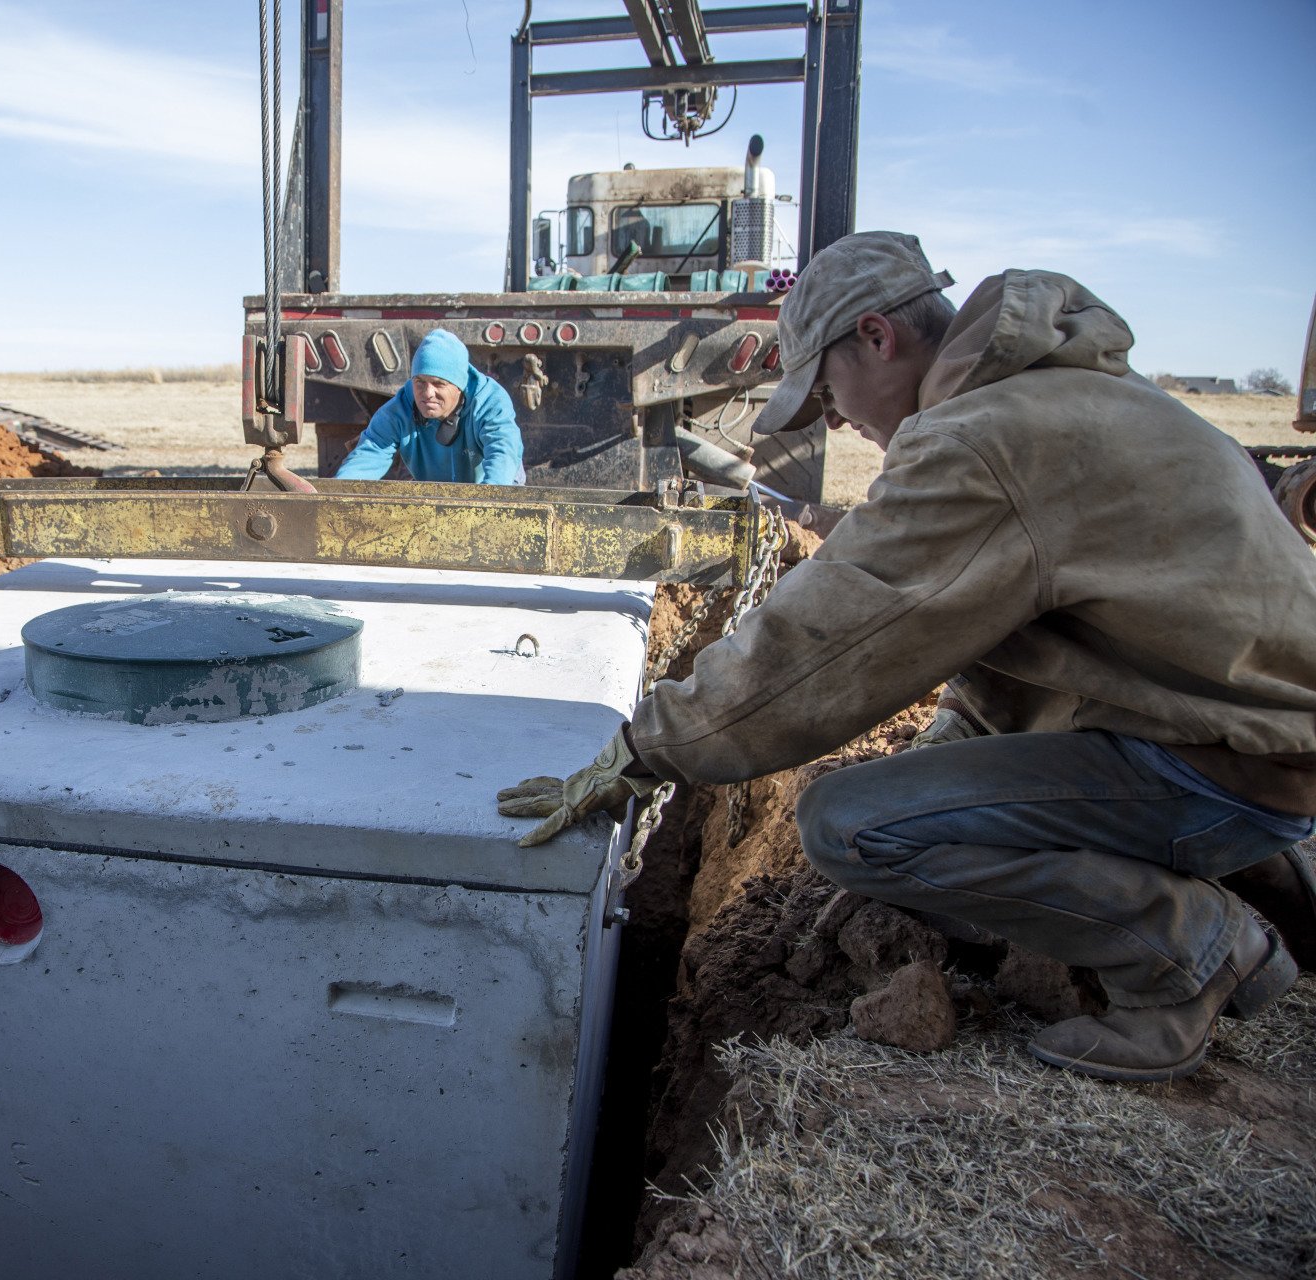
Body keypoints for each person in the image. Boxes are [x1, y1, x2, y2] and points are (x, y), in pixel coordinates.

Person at [499, 231, 1316, 1083]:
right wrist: (958, 750)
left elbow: (825, 639)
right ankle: (1264, 872)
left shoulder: (978, 441)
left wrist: (649, 748)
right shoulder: (1059, 392)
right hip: (1257, 732)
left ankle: (1190, 950)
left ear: (876, 338)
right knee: (925, 794)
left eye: (826, 394)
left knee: (846, 825)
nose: (840, 421)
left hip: (1231, 765)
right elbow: (1002, 621)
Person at [335, 329, 525, 485]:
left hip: (491, 485)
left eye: (439, 384)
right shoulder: (400, 408)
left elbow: (502, 453)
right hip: (435, 487)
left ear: (458, 386)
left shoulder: (490, 403)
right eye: (420, 382)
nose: (427, 393)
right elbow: (371, 451)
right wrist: (336, 496)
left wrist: (491, 505)